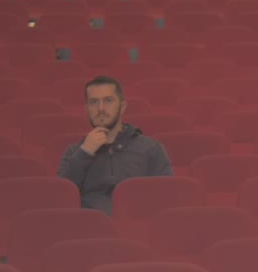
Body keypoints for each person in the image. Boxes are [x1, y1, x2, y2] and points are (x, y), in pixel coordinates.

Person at [57, 75, 173, 213]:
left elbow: (167, 198)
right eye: (94, 102)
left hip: (138, 226)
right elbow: (61, 199)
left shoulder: (151, 148)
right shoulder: (74, 152)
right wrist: (85, 153)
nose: (101, 108)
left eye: (108, 100)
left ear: (122, 107)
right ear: (86, 108)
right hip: (91, 228)